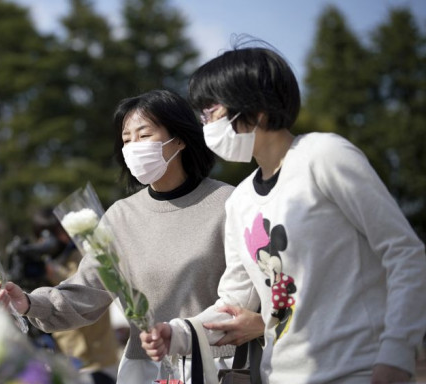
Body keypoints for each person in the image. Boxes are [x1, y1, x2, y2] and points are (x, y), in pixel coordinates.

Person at [140, 44, 426, 384]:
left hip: (358, 369)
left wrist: (396, 355)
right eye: (201, 115)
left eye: (212, 111)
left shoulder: (324, 155)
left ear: (257, 108)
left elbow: (405, 254)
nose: (206, 125)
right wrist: (178, 334)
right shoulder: (240, 200)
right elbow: (234, 299)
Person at [0, 89, 236, 383]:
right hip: (147, 370)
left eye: (144, 135)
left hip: (217, 366)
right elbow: (86, 293)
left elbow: (245, 297)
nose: (133, 147)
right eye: (126, 140)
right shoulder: (121, 216)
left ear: (179, 138)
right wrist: (27, 303)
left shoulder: (228, 203)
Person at [29, 207, 121, 384]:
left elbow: (82, 289)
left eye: (58, 232)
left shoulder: (80, 254)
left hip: (99, 355)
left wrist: (52, 272)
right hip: (69, 357)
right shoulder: (40, 263)